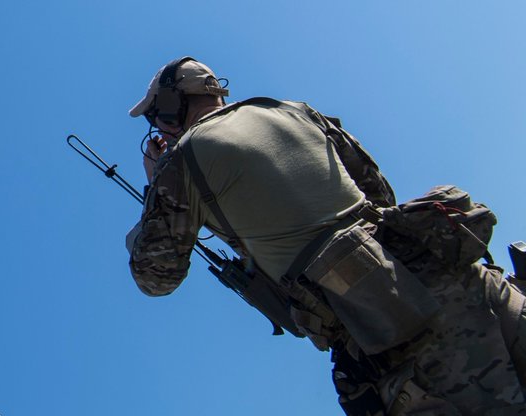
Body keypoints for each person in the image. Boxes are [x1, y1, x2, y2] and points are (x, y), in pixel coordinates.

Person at [124, 57, 526, 415]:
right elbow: (379, 193)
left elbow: (156, 277)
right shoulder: (291, 110)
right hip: (462, 277)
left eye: (155, 116)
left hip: (401, 333)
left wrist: (155, 183)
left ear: (174, 106)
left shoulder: (180, 162)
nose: (157, 127)